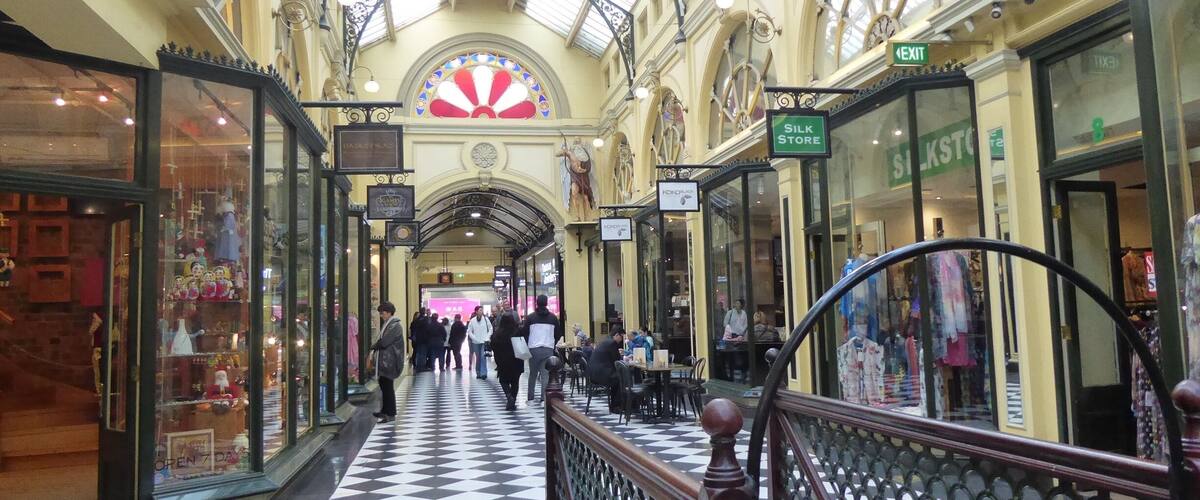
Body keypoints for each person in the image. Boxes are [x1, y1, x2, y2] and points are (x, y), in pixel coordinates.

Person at [521, 294, 562, 405]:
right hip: (548, 349)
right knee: (545, 375)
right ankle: (544, 399)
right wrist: (551, 343)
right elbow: (558, 334)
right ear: (546, 303)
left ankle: (530, 399)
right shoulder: (553, 318)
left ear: (537, 303)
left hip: (533, 349)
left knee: (533, 374)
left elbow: (524, 332)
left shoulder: (530, 317)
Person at [371, 302, 405, 423]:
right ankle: (385, 410)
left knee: (387, 387)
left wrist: (373, 347)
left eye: (383, 313)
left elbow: (384, 342)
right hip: (386, 361)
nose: (381, 315)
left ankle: (390, 413)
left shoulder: (395, 326)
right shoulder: (388, 324)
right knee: (384, 386)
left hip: (390, 362)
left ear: (389, 312)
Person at [490, 313, 525, 411]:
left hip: (502, 361)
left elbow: (493, 346)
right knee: (515, 382)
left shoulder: (497, 334)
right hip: (516, 360)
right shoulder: (517, 332)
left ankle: (509, 396)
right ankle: (512, 400)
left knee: (503, 380)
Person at [587, 330, 624, 411]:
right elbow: (616, 360)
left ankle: (619, 404)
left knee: (618, 377)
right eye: (621, 337)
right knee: (620, 378)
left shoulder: (606, 341)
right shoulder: (612, 343)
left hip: (593, 373)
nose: (622, 340)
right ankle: (616, 406)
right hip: (600, 374)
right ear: (617, 335)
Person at [466, 306, 492, 379]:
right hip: (475, 342)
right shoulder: (472, 320)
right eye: (480, 310)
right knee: (478, 357)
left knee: (483, 357)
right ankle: (478, 372)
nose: (481, 311)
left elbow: (490, 328)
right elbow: (469, 331)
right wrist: (474, 338)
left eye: (482, 310)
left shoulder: (486, 319)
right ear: (476, 311)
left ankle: (484, 373)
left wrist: (487, 337)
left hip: (484, 341)